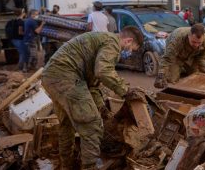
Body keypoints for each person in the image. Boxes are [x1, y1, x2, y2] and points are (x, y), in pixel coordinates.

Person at [41, 27, 143, 170]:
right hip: (66, 77)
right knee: (92, 126)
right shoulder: (113, 43)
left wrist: (102, 108)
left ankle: (66, 166)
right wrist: (125, 91)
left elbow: (92, 84)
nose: (130, 52)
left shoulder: (102, 39)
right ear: (128, 40)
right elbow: (103, 71)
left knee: (67, 125)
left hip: (51, 76)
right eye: (132, 48)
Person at [154, 23, 205, 88]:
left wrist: (202, 68)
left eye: (199, 43)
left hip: (192, 56)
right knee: (172, 78)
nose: (196, 45)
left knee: (196, 75)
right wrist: (161, 74)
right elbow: (167, 59)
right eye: (194, 42)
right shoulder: (176, 40)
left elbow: (202, 56)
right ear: (189, 36)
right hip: (176, 56)